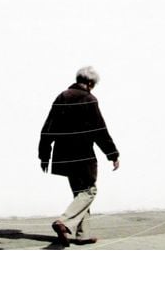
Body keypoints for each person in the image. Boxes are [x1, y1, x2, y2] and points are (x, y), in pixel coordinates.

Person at [39, 66, 120, 246]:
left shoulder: (62, 96)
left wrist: (44, 154)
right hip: (83, 155)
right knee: (89, 191)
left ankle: (82, 235)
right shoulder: (89, 99)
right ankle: (64, 222)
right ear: (90, 83)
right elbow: (100, 130)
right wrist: (112, 154)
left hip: (63, 155)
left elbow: (48, 127)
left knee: (80, 193)